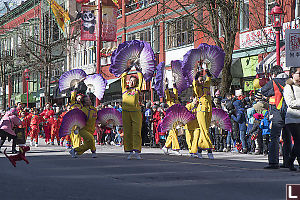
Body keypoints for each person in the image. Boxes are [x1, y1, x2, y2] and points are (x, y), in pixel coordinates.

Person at [261, 65, 291, 169]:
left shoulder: (273, 82)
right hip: (289, 113)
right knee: (287, 138)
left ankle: (273, 162)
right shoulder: (290, 80)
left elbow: (262, 91)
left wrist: (271, 93)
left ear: (273, 74)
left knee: (274, 137)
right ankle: (288, 162)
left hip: (276, 112)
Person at [120, 66, 143, 160]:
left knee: (136, 131)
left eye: (134, 81)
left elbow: (141, 80)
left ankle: (137, 150)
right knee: (128, 132)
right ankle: (129, 151)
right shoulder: (124, 89)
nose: (131, 82)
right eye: (130, 81)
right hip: (125, 113)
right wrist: (126, 70)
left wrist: (138, 71)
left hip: (135, 112)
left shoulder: (137, 90)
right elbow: (123, 78)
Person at [193, 69, 214, 159]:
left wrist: (207, 73)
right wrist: (196, 76)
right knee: (205, 130)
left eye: (202, 80)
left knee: (204, 131)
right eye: (200, 80)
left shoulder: (206, 86)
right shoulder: (198, 88)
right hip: (201, 111)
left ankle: (199, 150)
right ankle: (209, 150)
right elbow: (194, 84)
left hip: (209, 110)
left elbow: (209, 79)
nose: (202, 81)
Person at [69, 93, 97, 158]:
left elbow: (96, 118)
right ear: (84, 102)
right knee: (91, 139)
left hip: (91, 129)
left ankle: (74, 150)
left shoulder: (94, 109)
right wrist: (77, 129)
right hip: (83, 129)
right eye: (87, 100)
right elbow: (79, 121)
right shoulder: (82, 110)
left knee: (87, 145)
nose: (89, 101)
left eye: (89, 100)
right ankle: (93, 151)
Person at [283, 67, 300, 171]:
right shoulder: (289, 87)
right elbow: (290, 103)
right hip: (292, 119)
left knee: (298, 142)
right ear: (292, 74)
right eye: (299, 73)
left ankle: (290, 161)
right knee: (298, 141)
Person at [162, 83, 182, 156]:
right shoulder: (169, 101)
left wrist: (174, 85)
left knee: (172, 133)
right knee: (173, 132)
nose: (173, 93)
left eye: (173, 92)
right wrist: (166, 86)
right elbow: (166, 93)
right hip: (171, 119)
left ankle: (166, 146)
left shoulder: (176, 100)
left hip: (177, 118)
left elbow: (176, 91)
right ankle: (175, 148)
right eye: (171, 93)